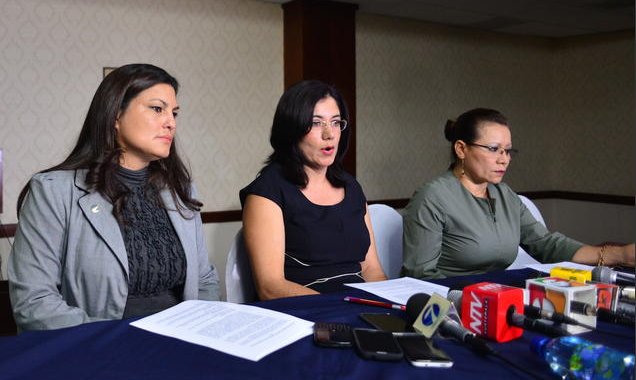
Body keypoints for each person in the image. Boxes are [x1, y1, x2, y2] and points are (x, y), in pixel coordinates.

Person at [8, 63, 219, 331]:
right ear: (115, 116)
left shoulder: (181, 190)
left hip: (183, 341)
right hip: (100, 349)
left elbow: (204, 281)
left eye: (174, 113)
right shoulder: (52, 191)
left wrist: (205, 331)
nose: (171, 123)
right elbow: (34, 303)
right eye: (157, 109)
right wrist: (124, 340)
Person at [402, 108, 635, 279]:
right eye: (493, 149)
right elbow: (421, 275)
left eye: (507, 150)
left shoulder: (504, 195)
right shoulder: (433, 197)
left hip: (499, 296)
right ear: (461, 148)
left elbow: (547, 245)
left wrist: (621, 255)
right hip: (453, 304)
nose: (504, 159)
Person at [239, 80, 386, 299]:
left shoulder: (351, 186)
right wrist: (339, 307)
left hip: (359, 308)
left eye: (336, 123)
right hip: (306, 312)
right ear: (292, 129)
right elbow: (270, 286)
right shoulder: (268, 191)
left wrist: (388, 305)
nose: (329, 134)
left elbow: (371, 269)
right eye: (316, 123)